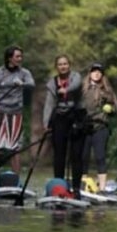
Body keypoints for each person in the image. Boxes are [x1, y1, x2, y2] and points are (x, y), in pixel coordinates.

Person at [0, 45, 35, 175]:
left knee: (14, 148)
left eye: (21, 56)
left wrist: (22, 84)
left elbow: (31, 84)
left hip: (16, 114)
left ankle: (15, 180)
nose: (20, 59)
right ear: (9, 58)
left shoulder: (24, 73)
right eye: (17, 56)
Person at [42, 54, 84, 198]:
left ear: (69, 65)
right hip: (59, 119)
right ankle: (59, 186)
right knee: (59, 154)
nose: (63, 66)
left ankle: (77, 188)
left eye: (65, 64)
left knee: (76, 154)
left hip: (76, 118)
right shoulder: (52, 83)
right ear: (56, 67)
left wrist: (66, 90)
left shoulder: (76, 77)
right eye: (60, 64)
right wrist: (46, 123)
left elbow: (77, 85)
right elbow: (49, 105)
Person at [81, 62, 117, 191]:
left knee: (100, 157)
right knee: (83, 157)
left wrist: (110, 110)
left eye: (99, 71)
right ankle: (82, 185)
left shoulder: (107, 90)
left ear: (102, 75)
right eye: (94, 71)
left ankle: (102, 188)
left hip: (101, 127)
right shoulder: (83, 89)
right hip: (84, 128)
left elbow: (115, 109)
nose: (96, 73)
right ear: (90, 73)